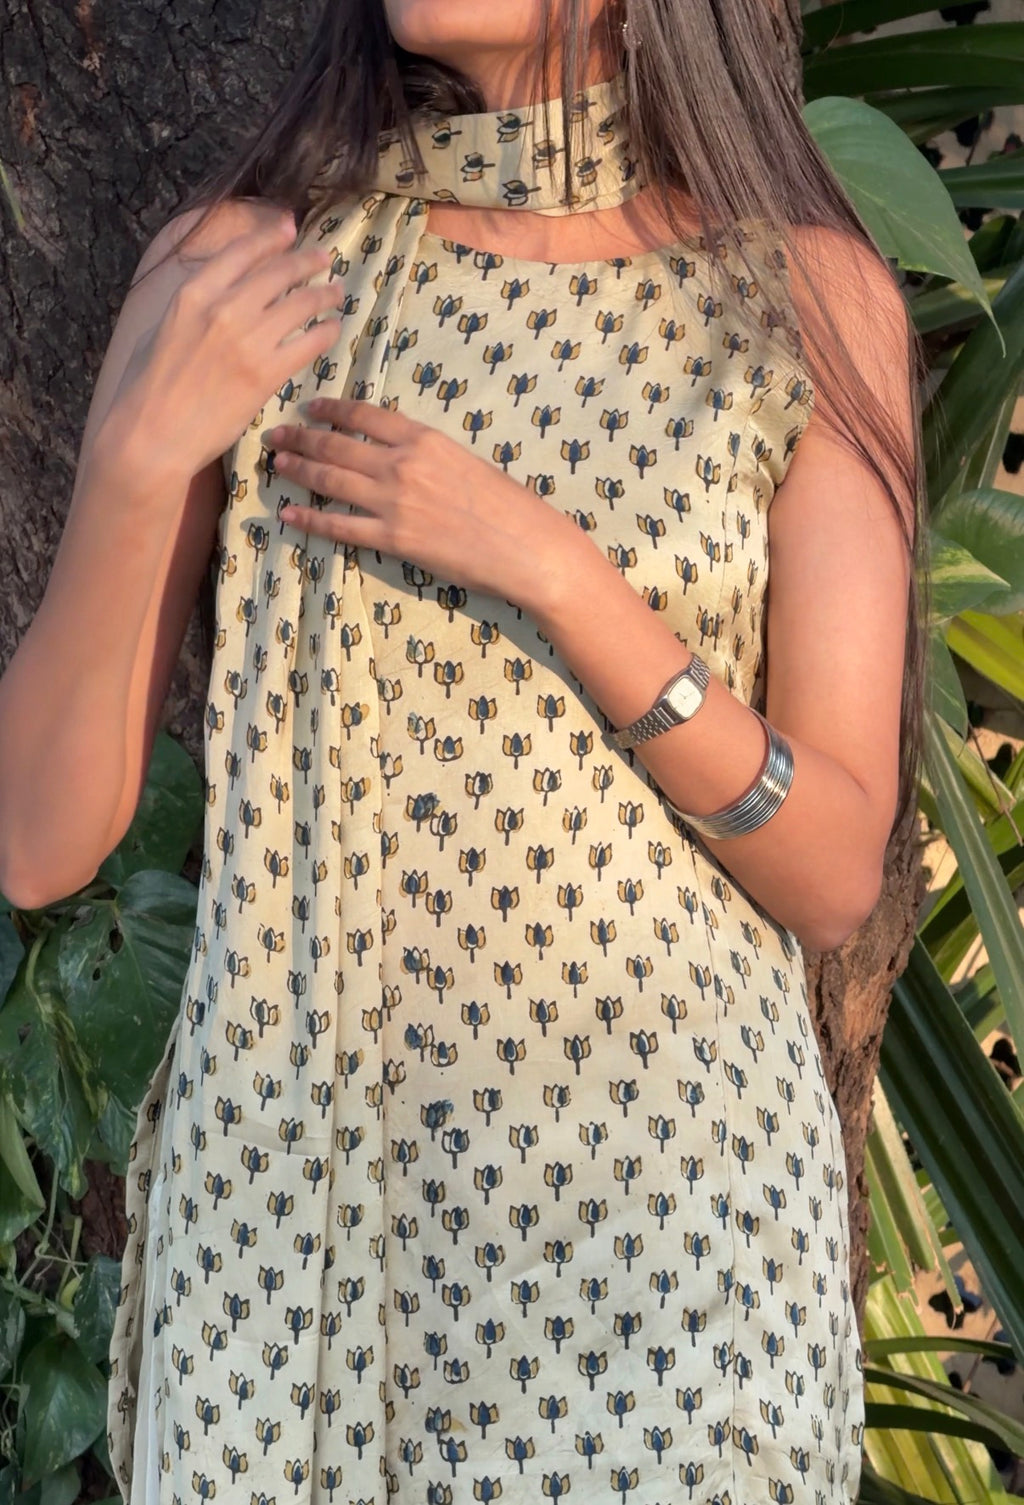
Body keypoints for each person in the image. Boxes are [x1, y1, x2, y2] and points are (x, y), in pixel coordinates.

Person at [0, 1, 925, 1502]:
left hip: (672, 1286)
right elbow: (40, 839)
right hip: (292, 1272)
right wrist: (131, 458)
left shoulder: (805, 302)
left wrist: (560, 576)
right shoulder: (247, 277)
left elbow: (832, 870)